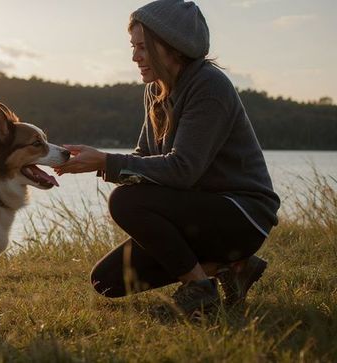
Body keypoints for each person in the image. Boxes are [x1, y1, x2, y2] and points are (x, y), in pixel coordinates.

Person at [54, 0, 280, 315]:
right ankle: (234, 267)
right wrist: (94, 163)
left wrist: (106, 161)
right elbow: (145, 156)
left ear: (171, 47)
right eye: (133, 46)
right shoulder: (155, 91)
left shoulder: (209, 86)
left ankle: (200, 290)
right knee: (105, 281)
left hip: (242, 216)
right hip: (197, 212)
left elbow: (182, 169)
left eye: (142, 47)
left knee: (126, 201)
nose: (134, 56)